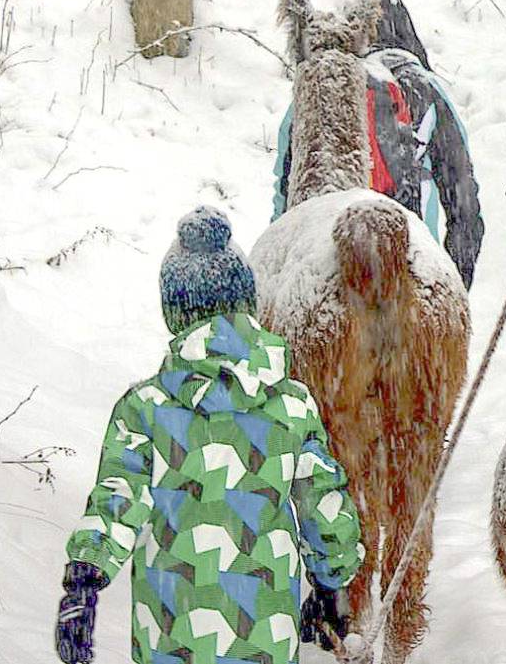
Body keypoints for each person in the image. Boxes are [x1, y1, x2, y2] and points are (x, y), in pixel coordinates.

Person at [55, 207, 364, 664]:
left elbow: (116, 503)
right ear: (246, 304)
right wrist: (331, 584)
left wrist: (83, 582)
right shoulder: (291, 406)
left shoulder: (145, 409)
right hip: (265, 639)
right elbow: (324, 508)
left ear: (176, 313)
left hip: (170, 638)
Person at [272, 0, 485, 290]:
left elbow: (284, 190)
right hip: (412, 264)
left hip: (330, 264)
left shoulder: (324, 89)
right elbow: (464, 203)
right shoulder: (429, 91)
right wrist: (454, 285)